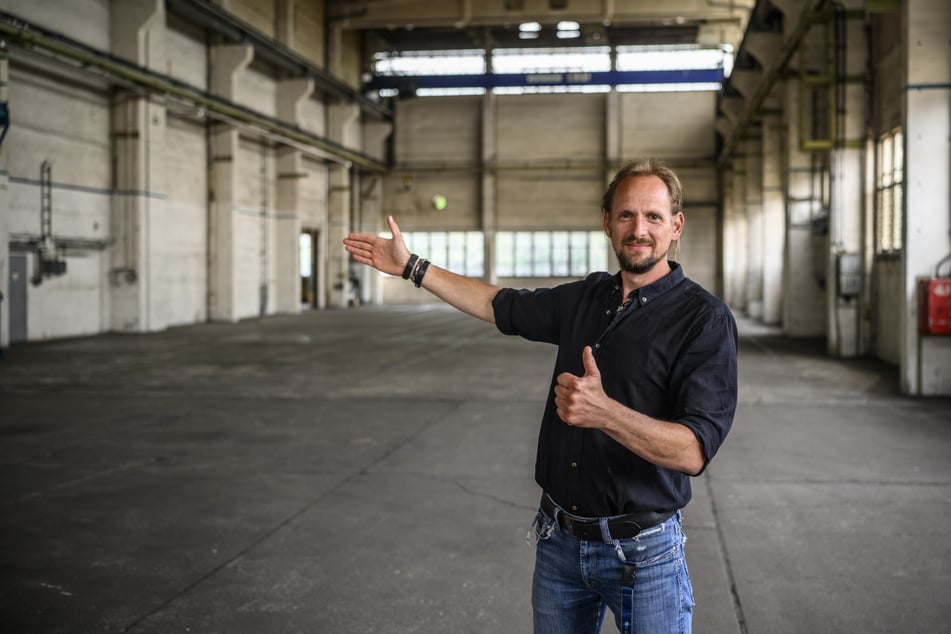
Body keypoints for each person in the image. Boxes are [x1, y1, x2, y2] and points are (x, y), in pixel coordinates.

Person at [343, 159, 738, 634]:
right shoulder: (587, 298)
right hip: (559, 543)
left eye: (653, 216)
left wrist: (605, 413)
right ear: (607, 223)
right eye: (627, 215)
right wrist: (412, 266)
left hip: (645, 554)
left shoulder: (703, 319)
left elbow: (694, 450)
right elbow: (498, 304)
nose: (639, 229)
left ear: (676, 226)